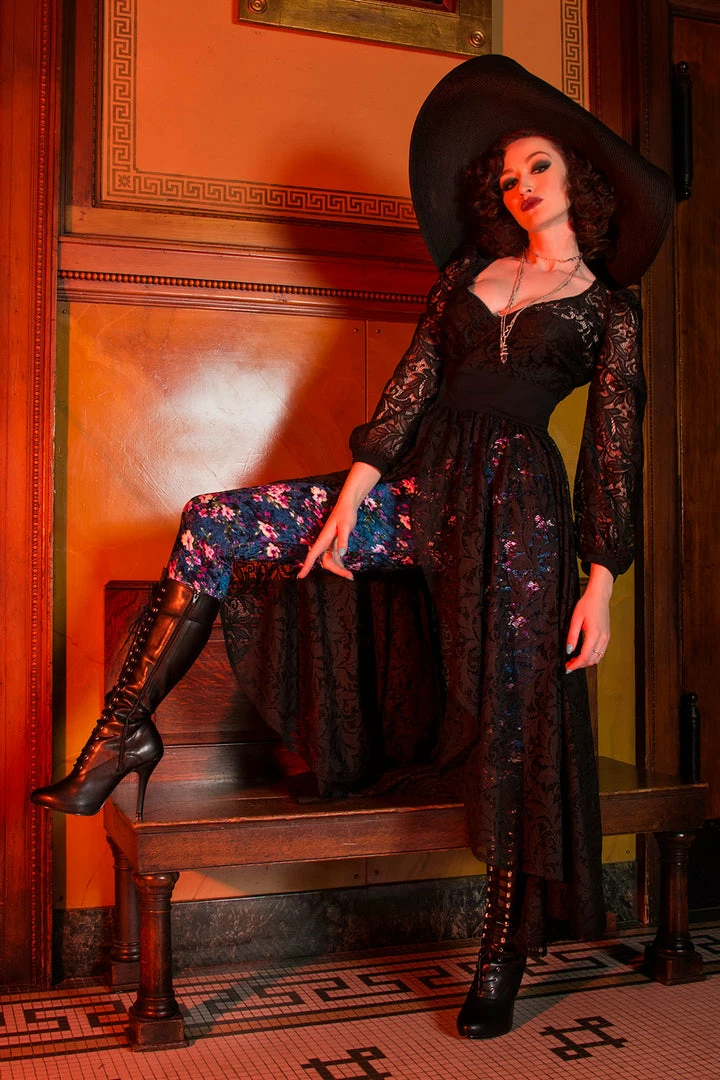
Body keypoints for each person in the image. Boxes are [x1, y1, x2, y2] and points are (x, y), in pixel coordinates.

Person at [32, 56, 673, 1040]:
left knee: (513, 723)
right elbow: (409, 392)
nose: (521, 186)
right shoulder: (466, 276)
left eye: (537, 167)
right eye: (507, 177)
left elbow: (614, 450)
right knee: (215, 521)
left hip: (523, 518)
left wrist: (601, 583)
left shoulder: (611, 307)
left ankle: (502, 946)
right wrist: (349, 503)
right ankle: (124, 733)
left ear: (575, 174)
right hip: (421, 492)